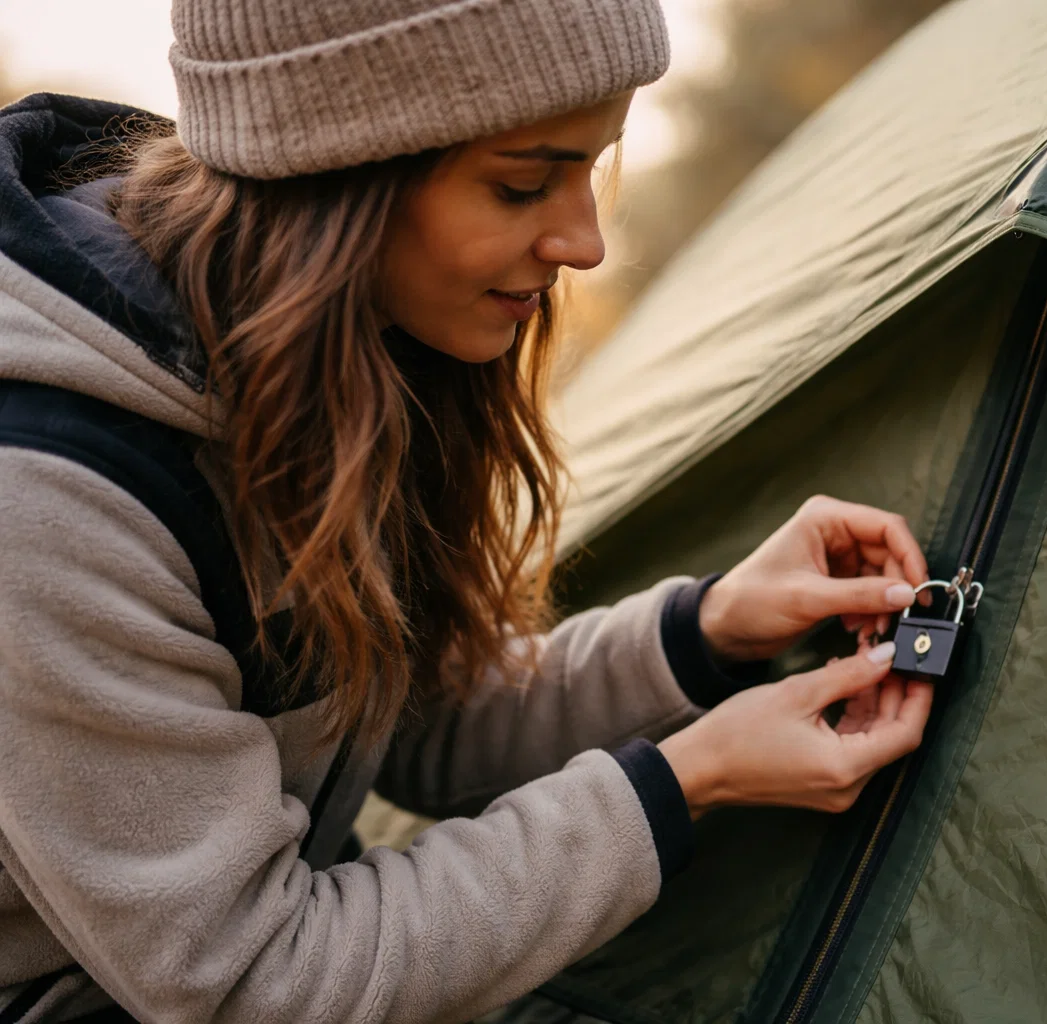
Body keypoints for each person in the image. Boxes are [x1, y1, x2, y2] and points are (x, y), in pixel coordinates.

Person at [0, 1, 935, 1021]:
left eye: (594, 168)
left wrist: (704, 630)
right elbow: (250, 977)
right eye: (523, 183)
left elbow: (406, 718)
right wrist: (684, 779)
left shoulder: (328, 348)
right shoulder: (50, 494)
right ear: (337, 172)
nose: (584, 243)